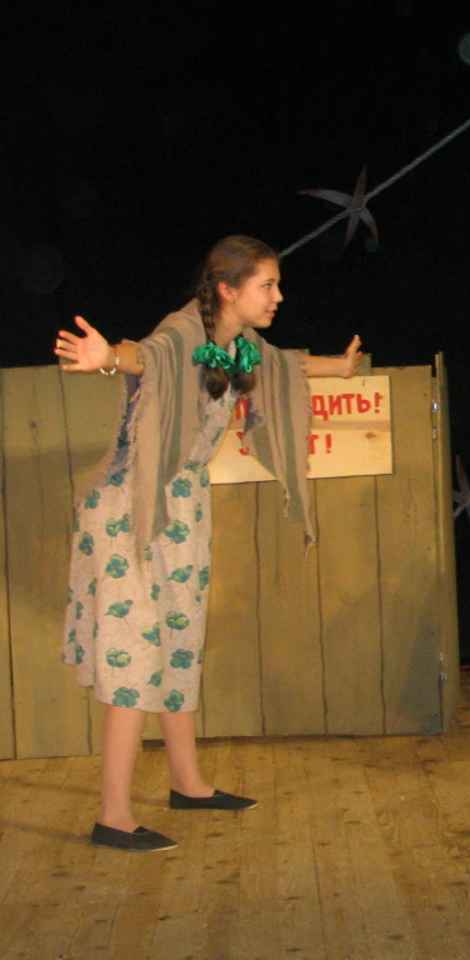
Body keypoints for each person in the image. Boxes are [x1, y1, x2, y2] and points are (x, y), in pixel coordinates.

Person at [54, 235, 363, 852]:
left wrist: (340, 367)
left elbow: (279, 367)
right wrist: (107, 358)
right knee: (133, 653)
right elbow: (145, 357)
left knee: (179, 640)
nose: (278, 296)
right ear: (227, 289)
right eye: (267, 285)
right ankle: (113, 816)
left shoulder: (236, 346)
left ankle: (188, 784)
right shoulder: (182, 333)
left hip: (183, 506)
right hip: (134, 506)